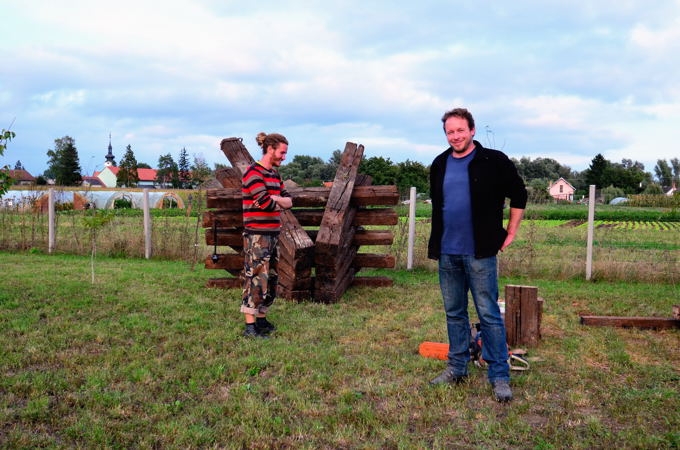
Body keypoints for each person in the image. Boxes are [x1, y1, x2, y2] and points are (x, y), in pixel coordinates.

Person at [427, 107, 527, 402]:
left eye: (460, 130)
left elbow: (519, 194)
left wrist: (511, 231)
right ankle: (457, 367)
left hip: (480, 252)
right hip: (448, 252)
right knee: (454, 312)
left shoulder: (493, 161)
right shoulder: (440, 163)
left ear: (472, 130)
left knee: (488, 313)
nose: (455, 136)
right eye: (450, 132)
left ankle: (499, 375)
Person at [241, 132, 293, 338]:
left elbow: (289, 201)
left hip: (273, 233)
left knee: (270, 278)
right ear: (270, 149)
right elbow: (266, 203)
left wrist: (276, 198)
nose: (284, 157)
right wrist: (275, 199)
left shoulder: (275, 175)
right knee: (255, 278)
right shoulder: (253, 173)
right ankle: (250, 326)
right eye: (282, 152)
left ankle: (262, 319)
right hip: (257, 235)